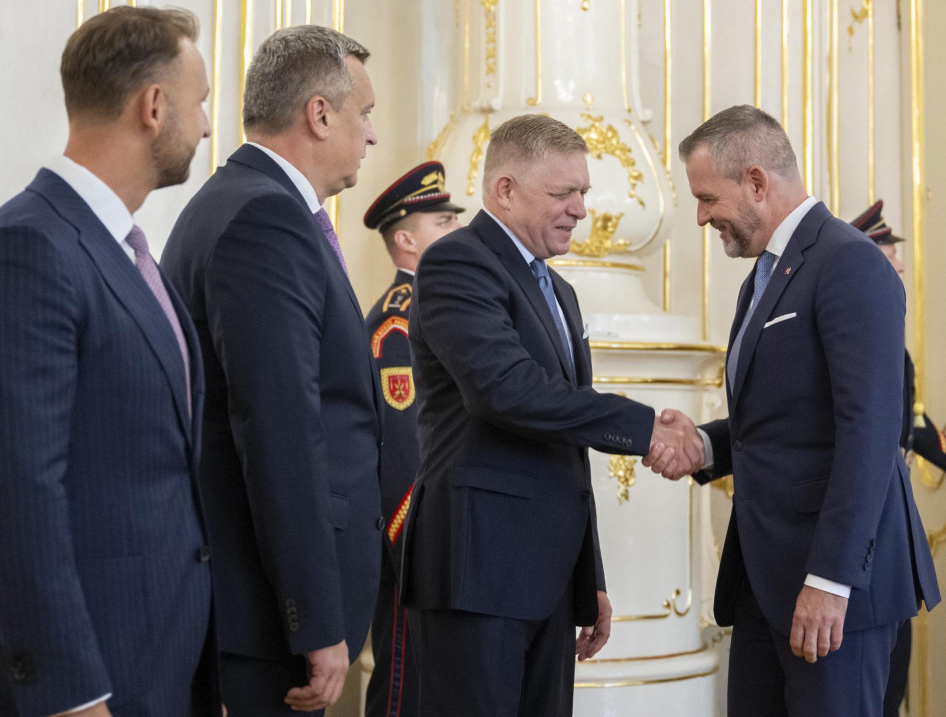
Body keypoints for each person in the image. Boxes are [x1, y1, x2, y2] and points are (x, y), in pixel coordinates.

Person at [0, 7, 217, 716]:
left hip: (152, 666)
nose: (208, 125)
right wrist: (72, 693)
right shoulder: (23, 252)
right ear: (153, 107)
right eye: (200, 102)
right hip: (72, 687)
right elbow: (14, 496)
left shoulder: (125, 254)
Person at [398, 113, 703, 716]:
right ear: (505, 190)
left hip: (545, 581)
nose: (580, 210)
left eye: (584, 193)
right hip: (476, 575)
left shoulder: (556, 290)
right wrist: (644, 428)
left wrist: (586, 581)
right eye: (564, 193)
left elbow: (562, 447)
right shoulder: (457, 262)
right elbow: (506, 391)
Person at [679, 105, 940, 716]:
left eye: (706, 198)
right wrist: (705, 444)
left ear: (757, 182)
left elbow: (870, 432)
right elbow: (781, 422)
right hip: (768, 583)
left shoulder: (848, 261)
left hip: (831, 592)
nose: (700, 217)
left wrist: (830, 580)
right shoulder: (764, 276)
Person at [160, 25, 381, 716]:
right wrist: (313, 617)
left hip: (261, 609)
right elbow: (279, 426)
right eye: (364, 113)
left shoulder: (248, 203)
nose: (371, 135)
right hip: (265, 619)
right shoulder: (265, 218)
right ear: (320, 113)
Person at [361, 161, 464, 717]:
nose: (455, 231)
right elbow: (402, 448)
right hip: (412, 541)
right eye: (442, 223)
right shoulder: (397, 323)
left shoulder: (433, 307)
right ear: (405, 239)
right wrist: (417, 543)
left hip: (438, 530)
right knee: (404, 686)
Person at [847, 199, 946, 716]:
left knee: (892, 681)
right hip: (864, 544)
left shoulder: (892, 343)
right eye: (889, 252)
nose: (900, 263)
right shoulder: (853, 333)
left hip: (891, 543)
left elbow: (914, 427)